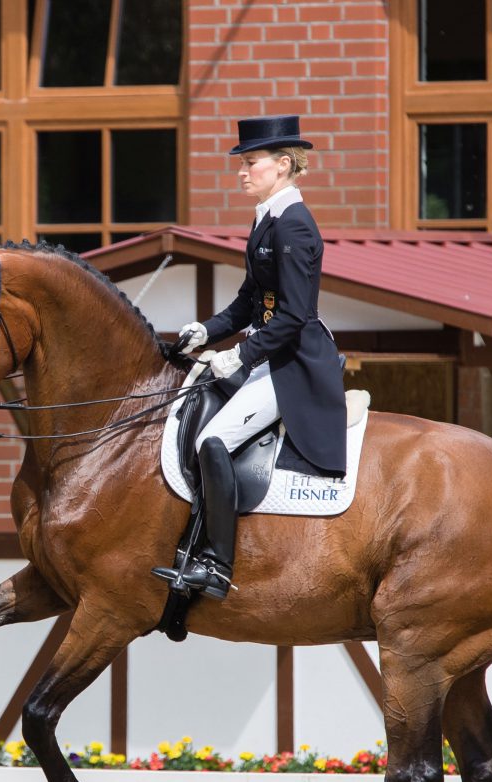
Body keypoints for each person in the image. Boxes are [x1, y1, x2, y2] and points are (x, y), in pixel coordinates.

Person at [152, 114, 347, 600]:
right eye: (242, 162)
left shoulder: (294, 226)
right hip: (269, 351)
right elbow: (248, 301)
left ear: (283, 165)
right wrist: (207, 330)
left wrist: (239, 355)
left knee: (213, 439)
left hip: (293, 364)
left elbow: (296, 315)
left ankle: (218, 566)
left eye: (251, 162)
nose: (242, 170)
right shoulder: (267, 219)